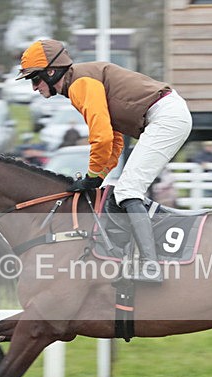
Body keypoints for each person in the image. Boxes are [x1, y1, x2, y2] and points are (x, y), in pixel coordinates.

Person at [16, 39, 192, 283]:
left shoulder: (80, 84)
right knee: (122, 193)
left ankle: (151, 266)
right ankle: (135, 258)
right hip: (167, 114)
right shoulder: (80, 81)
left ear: (51, 71)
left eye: (35, 78)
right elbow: (115, 140)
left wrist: (92, 176)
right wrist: (98, 176)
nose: (34, 87)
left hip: (166, 117)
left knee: (129, 191)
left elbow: (101, 138)